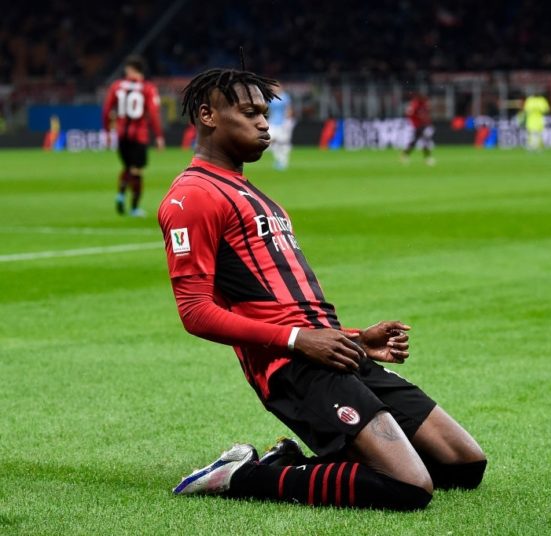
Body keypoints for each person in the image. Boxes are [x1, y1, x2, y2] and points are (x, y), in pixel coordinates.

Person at [157, 68, 486, 510]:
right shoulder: (192, 196)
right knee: (409, 488)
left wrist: (357, 340)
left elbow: (292, 304)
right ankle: (240, 476)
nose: (263, 123)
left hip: (331, 351)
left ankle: (287, 462)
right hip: (291, 366)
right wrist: (299, 341)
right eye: (249, 112)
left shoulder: (254, 194)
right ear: (207, 115)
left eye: (265, 113)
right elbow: (195, 312)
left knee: (464, 465)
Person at [102, 55, 165, 217]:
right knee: (137, 170)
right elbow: (153, 113)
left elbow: (107, 110)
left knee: (127, 167)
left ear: (130, 69)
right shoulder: (148, 88)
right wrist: (158, 136)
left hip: (122, 134)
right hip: (139, 135)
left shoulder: (116, 86)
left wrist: (108, 131)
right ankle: (135, 208)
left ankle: (121, 194)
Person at [401, 92, 435, 166]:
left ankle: (405, 155)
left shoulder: (423, 104)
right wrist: (415, 121)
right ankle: (427, 158)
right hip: (417, 126)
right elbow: (409, 113)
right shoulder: (416, 104)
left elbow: (425, 115)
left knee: (417, 141)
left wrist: (428, 122)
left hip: (422, 125)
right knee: (422, 140)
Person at [267, 82, 295, 170]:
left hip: (282, 122)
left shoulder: (285, 97)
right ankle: (279, 159)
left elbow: (289, 109)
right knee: (270, 139)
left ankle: (283, 161)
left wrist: (287, 120)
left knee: (282, 142)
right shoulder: (270, 97)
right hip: (272, 122)